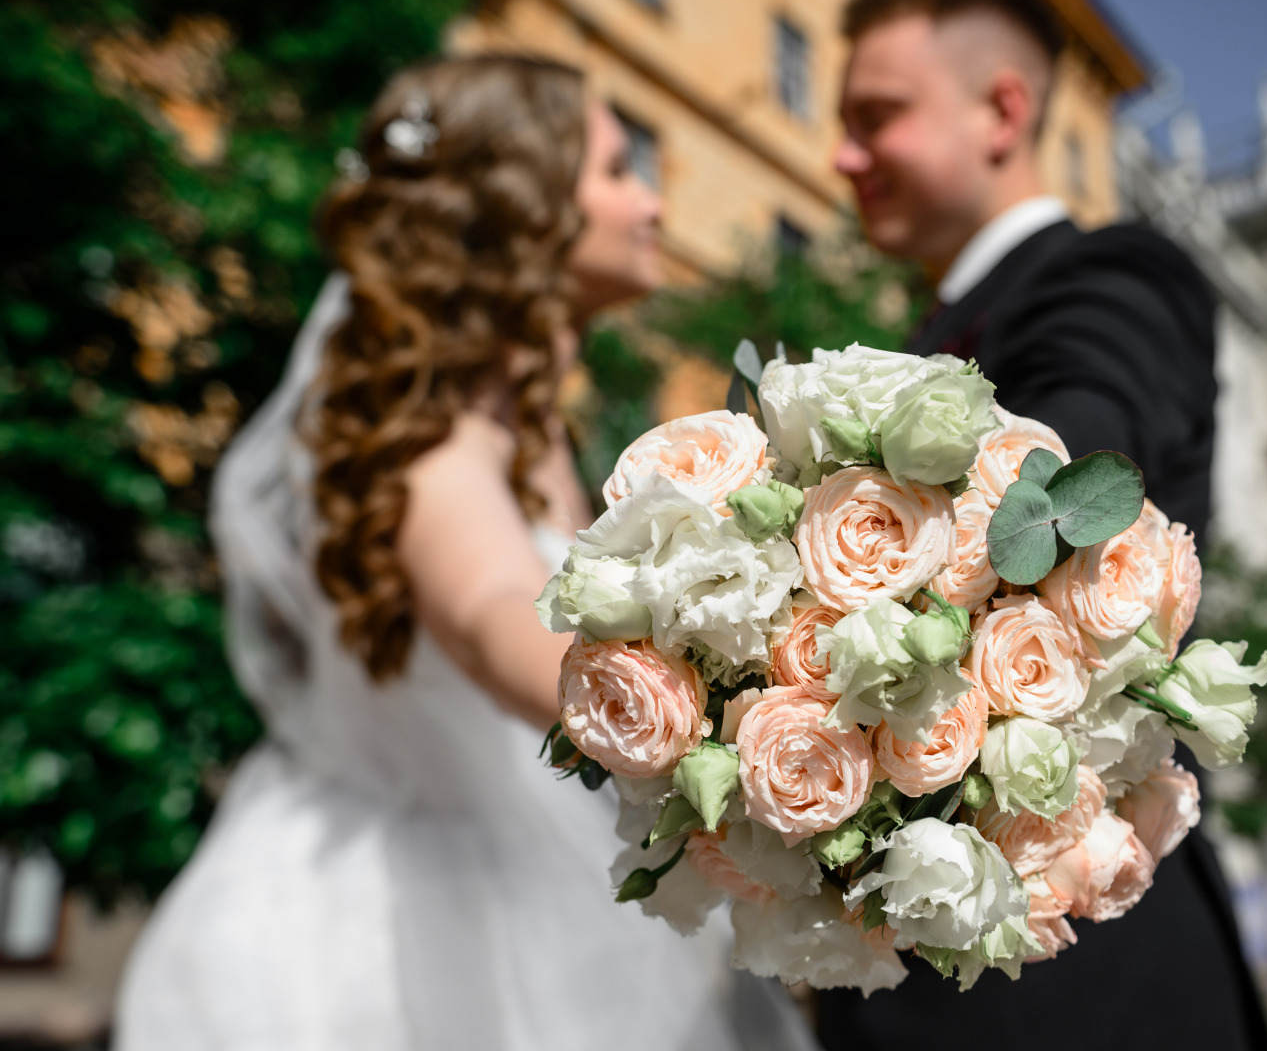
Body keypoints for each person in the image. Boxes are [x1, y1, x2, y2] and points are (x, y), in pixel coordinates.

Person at [115, 55, 800, 1051]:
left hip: (528, 878)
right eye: (615, 172)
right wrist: (731, 724)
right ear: (523, 217)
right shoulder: (436, 449)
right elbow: (493, 616)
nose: (650, 203)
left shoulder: (524, 436)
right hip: (393, 934)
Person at [816, 0, 1267, 1049]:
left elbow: (1063, 468)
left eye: (875, 116)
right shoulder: (934, 329)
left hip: (1077, 984)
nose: (842, 157)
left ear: (1004, 113)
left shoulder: (1107, 276)